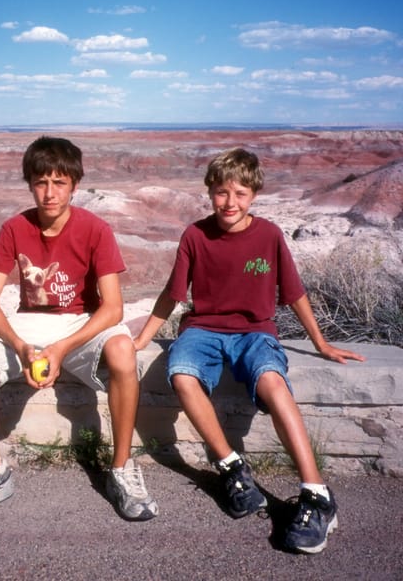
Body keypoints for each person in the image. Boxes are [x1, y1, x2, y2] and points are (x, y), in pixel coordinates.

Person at [133, 147, 365, 554]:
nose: (230, 202)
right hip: (202, 329)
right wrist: (141, 339)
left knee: (274, 383)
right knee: (182, 374)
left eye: (240, 193)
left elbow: (294, 293)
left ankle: (317, 493)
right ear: (210, 192)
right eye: (222, 192)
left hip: (255, 332)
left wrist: (320, 342)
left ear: (254, 195)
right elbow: (172, 294)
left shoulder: (270, 235)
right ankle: (231, 467)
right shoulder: (195, 235)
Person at [0, 136, 157, 521]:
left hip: (81, 322)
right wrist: (22, 346)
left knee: (123, 351)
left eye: (59, 183)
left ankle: (121, 470)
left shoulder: (96, 229)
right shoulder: (14, 228)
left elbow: (113, 308)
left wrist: (60, 348)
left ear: (75, 184)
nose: (50, 193)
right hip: (30, 322)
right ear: (30, 184)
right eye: (41, 182)